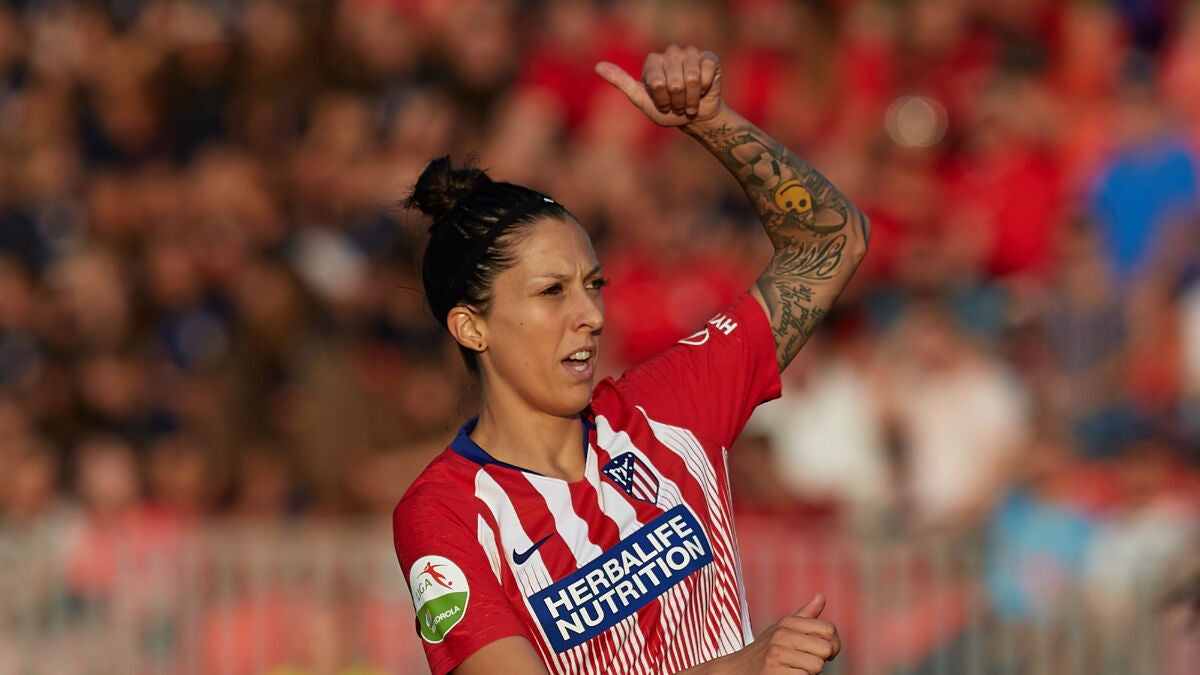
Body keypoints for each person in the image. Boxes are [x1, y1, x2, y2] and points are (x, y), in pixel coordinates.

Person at [393, 45, 869, 675]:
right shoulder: (442, 511)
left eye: (594, 284)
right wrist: (736, 669)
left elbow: (830, 244)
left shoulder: (667, 407)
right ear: (471, 326)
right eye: (552, 291)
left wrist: (712, 123)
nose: (591, 314)